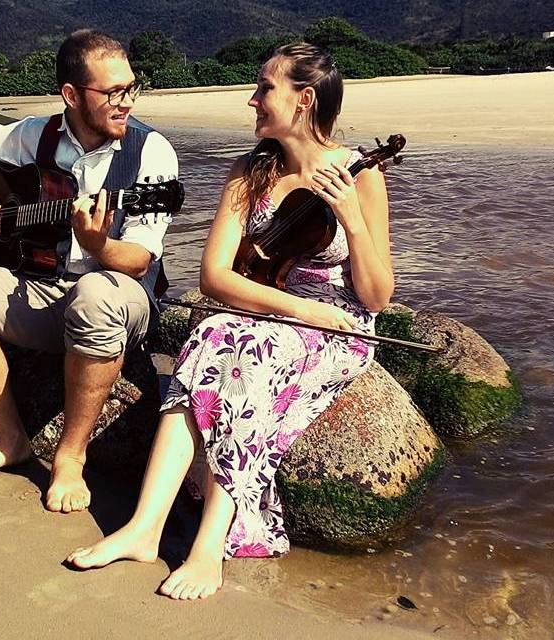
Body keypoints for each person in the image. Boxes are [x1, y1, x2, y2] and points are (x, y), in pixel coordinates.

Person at [65, 43, 394, 599]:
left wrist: (351, 222)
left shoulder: (360, 177)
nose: (253, 99)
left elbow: (378, 296)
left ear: (304, 100)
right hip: (274, 309)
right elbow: (215, 275)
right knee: (213, 337)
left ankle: (208, 544)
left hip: (336, 324)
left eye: (265, 88)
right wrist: (293, 308)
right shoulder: (251, 172)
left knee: (247, 355)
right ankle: (144, 528)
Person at [0, 29, 179, 514]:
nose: (126, 102)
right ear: (71, 95)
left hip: (118, 293)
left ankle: (70, 456)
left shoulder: (151, 153)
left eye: (131, 88)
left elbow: (141, 260)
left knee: (97, 296)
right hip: (39, 286)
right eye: (113, 92)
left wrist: (98, 243)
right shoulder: (32, 134)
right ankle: (8, 439)